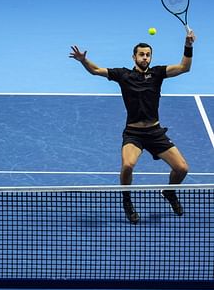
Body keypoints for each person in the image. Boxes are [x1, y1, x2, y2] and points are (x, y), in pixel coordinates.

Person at [69, 30, 196, 224]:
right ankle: (127, 201)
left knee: (182, 169)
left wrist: (188, 45)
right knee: (127, 165)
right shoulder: (123, 75)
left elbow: (184, 67)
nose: (145, 57)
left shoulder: (158, 73)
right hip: (134, 133)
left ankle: (169, 193)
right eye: (141, 54)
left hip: (155, 132)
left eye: (148, 55)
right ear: (134, 57)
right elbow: (97, 70)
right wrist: (83, 61)